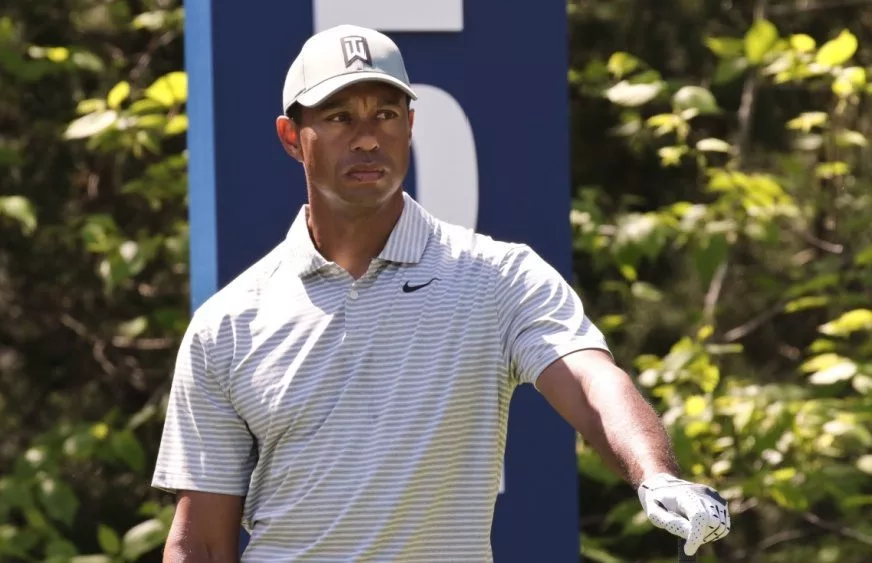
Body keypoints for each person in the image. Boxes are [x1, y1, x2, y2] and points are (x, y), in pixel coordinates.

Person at [152, 24, 731, 562]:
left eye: (385, 114)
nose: (367, 139)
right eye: (338, 118)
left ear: (410, 123)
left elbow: (590, 381)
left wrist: (656, 475)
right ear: (291, 138)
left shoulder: (499, 276)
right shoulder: (227, 323)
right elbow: (200, 540)